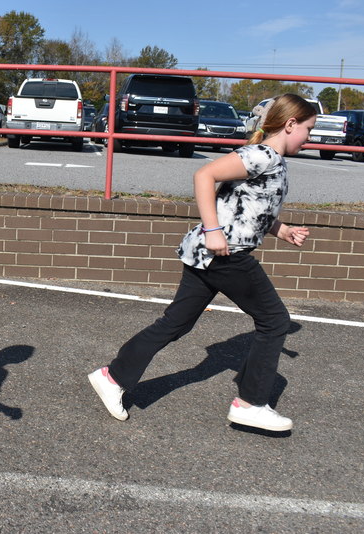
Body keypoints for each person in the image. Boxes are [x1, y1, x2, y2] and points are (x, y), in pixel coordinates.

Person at [88, 94, 316, 432]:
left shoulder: (272, 160)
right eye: (308, 130)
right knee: (275, 321)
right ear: (290, 124)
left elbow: (247, 207)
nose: (309, 138)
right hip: (225, 253)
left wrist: (281, 230)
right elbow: (204, 175)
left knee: (175, 323)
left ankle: (112, 377)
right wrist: (212, 230)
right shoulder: (260, 155)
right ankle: (250, 404)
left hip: (208, 253)